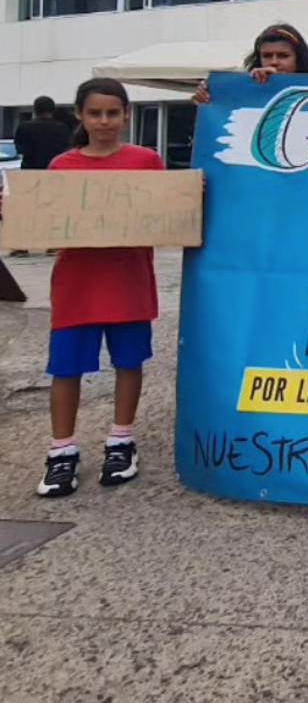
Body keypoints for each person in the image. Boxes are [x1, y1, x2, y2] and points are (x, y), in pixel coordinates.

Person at [36, 79, 165, 498]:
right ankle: (62, 451)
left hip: (128, 279)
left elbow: (165, 213)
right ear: (79, 115)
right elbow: (48, 222)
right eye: (95, 113)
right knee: (66, 367)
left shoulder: (147, 161)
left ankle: (121, 440)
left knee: (129, 362)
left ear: (127, 114)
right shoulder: (61, 167)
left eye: (112, 112)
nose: (104, 121)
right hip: (77, 284)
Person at [193, 23, 308, 104]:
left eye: (283, 55)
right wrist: (209, 95)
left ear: (298, 58)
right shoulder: (241, 92)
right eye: (267, 56)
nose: (274, 62)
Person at [10, 96, 71, 257]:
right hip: (54, 174)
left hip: (29, 172)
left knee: (25, 211)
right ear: (52, 110)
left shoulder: (25, 127)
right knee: (53, 210)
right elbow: (67, 149)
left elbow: (20, 149)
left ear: (35, 110)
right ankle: (54, 245)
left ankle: (21, 246)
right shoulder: (62, 128)